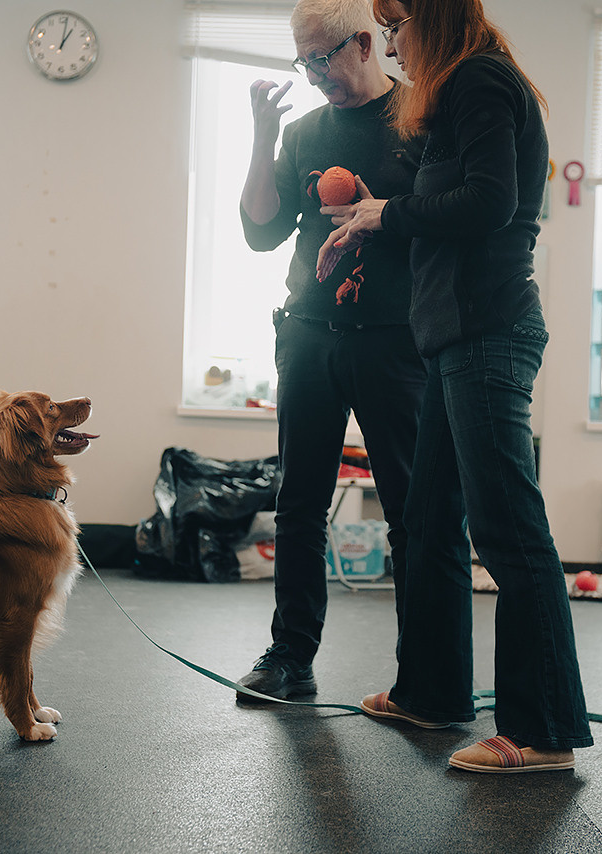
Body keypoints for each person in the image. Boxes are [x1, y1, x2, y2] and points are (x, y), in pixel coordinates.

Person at [317, 0, 593, 772]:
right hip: (451, 338)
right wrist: (365, 218)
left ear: (430, 18)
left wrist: (383, 217)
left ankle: (542, 735)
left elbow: (489, 202)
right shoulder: (455, 95)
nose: (393, 46)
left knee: (509, 533)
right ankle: (433, 694)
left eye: (397, 27)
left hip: (488, 332)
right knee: (431, 518)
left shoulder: (479, 80)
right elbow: (434, 203)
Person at [235, 0, 427, 700]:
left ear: (367, 42)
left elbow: (447, 229)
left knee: (410, 512)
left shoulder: (420, 121)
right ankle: (290, 659)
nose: (316, 74)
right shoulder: (308, 132)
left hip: (397, 340)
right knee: (299, 502)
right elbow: (261, 231)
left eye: (326, 57)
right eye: (304, 61)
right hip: (311, 331)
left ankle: (423, 674)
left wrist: (387, 219)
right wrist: (264, 135)